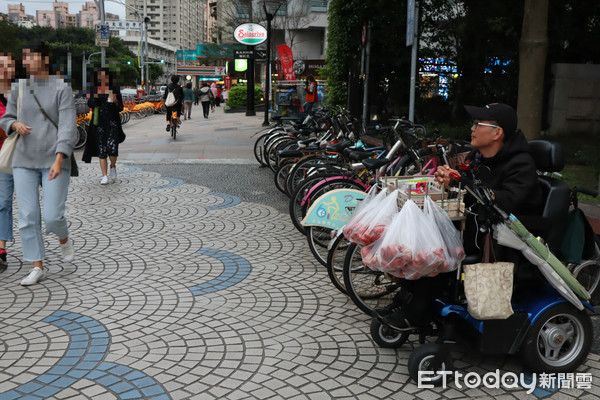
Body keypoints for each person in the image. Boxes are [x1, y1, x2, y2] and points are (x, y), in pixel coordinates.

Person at [378, 102, 543, 330]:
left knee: (436, 249)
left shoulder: (521, 164)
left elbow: (505, 202)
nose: (472, 128)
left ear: (498, 133)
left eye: (478, 124)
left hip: (502, 238)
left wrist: (460, 182)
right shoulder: (478, 156)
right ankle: (405, 300)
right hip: (474, 225)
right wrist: (449, 177)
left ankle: (418, 311)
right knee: (416, 238)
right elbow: (469, 185)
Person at [0, 40, 77, 286]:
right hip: (23, 159)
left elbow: (67, 126)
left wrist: (60, 157)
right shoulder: (19, 88)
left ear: (44, 58)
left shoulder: (61, 88)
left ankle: (63, 238)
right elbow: (7, 117)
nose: (26, 62)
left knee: (54, 216)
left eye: (30, 56)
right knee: (28, 215)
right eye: (24, 57)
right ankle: (37, 265)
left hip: (54, 161)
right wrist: (13, 125)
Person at [82, 68, 125, 185]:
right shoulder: (95, 89)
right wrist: (95, 97)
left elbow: (120, 107)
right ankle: (104, 175)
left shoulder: (114, 89)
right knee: (102, 150)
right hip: (99, 124)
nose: (103, 79)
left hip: (113, 123)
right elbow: (90, 104)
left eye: (105, 76)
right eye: (100, 76)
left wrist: (115, 101)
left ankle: (113, 166)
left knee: (112, 149)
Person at [0, 53, 18, 271]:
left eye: (8, 65)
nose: (5, 69)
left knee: (4, 202)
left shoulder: (20, 94)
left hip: (12, 156)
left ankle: (1, 247)